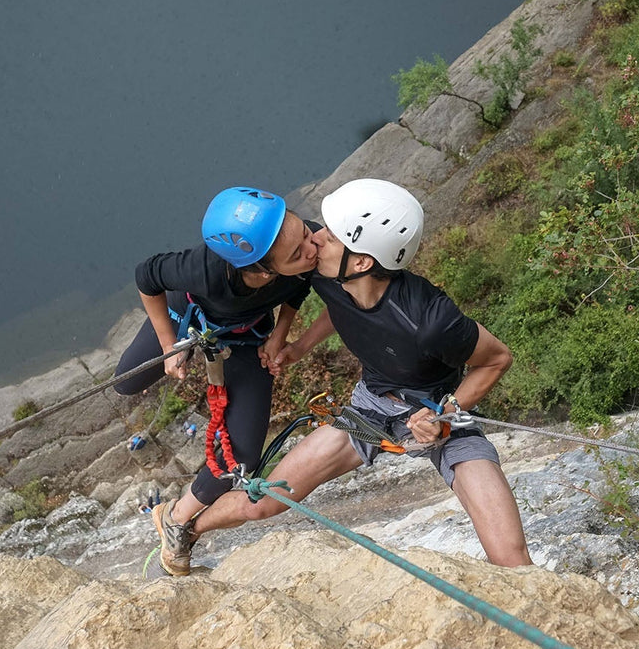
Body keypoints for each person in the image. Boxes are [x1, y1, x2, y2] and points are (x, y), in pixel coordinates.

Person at [158, 178, 531, 571]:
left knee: (510, 557)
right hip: (370, 410)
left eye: (331, 237)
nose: (315, 239)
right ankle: (183, 526)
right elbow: (342, 305)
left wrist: (446, 410)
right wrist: (299, 346)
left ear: (362, 262)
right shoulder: (328, 274)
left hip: (439, 415)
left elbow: (496, 359)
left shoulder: (431, 320)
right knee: (265, 502)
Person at [112, 187, 319, 575]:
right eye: (298, 252)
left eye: (305, 234)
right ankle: (175, 344)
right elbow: (147, 275)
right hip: (187, 314)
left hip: (247, 335)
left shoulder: (302, 244)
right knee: (126, 382)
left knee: (240, 459)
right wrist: (169, 344)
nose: (312, 247)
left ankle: (175, 518)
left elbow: (302, 285)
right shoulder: (201, 268)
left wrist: (280, 335)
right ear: (260, 270)